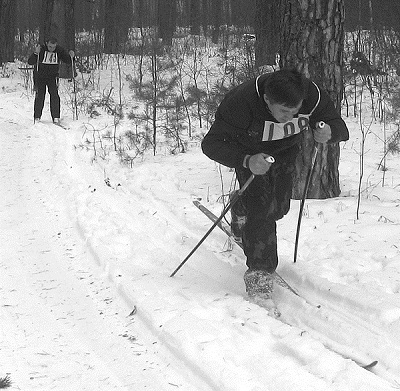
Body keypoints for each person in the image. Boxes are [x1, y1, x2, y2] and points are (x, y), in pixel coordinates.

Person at [201, 69, 349, 308]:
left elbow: (335, 122)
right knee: (262, 211)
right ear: (268, 100)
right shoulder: (241, 102)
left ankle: (240, 206)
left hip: (286, 154)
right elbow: (211, 144)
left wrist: (330, 131)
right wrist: (247, 161)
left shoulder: (311, 95)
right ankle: (259, 274)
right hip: (250, 155)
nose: (291, 117)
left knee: (279, 208)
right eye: (284, 111)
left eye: (295, 111)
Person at [28, 37, 75, 124]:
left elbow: (68, 60)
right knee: (40, 95)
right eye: (50, 47)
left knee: (54, 96)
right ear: (46, 44)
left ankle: (56, 117)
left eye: (53, 47)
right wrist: (35, 53)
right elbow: (30, 62)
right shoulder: (41, 49)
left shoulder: (59, 50)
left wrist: (71, 56)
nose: (52, 49)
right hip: (40, 76)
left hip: (52, 77)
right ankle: (37, 116)